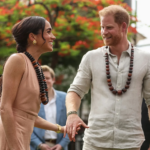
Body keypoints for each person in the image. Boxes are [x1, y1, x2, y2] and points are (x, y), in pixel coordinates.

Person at [65, 5, 150, 150]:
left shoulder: (145, 59)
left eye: (108, 27)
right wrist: (72, 114)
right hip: (94, 142)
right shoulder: (91, 57)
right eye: (102, 27)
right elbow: (75, 91)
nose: (104, 32)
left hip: (130, 143)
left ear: (123, 27)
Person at [0, 16, 66, 150]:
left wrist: (60, 128)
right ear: (33, 37)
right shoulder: (17, 60)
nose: (53, 37)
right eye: (48, 32)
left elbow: (29, 116)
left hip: (23, 139)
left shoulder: (35, 67)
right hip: (11, 138)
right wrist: (14, 146)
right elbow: (4, 107)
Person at [30, 65, 70, 150]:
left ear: (53, 80)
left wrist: (61, 145)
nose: (44, 80)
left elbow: (71, 124)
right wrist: (39, 145)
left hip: (60, 147)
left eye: (47, 78)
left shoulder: (65, 98)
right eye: (41, 78)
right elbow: (27, 124)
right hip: (37, 147)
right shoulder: (31, 99)